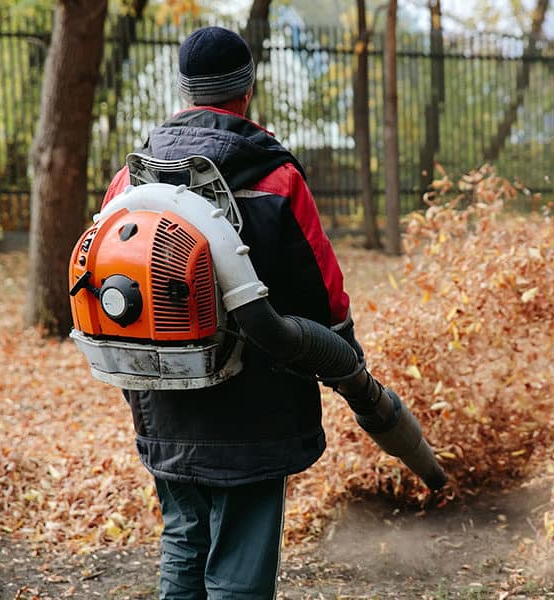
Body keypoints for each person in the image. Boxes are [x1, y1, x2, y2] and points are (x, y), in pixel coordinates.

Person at [101, 26, 361, 600]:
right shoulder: (276, 177)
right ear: (247, 89)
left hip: (162, 401)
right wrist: (345, 351)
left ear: (186, 90)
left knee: (183, 536)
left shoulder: (130, 180)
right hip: (258, 407)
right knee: (241, 553)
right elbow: (323, 293)